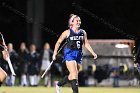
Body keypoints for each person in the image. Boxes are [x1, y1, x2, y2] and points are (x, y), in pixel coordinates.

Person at [52, 14, 97, 93]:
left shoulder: (83, 32)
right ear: (72, 22)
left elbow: (86, 43)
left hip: (78, 55)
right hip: (69, 54)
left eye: (79, 21)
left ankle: (58, 84)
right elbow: (58, 42)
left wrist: (93, 53)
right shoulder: (67, 32)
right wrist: (55, 52)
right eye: (77, 21)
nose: (79, 22)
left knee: (72, 75)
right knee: (75, 74)